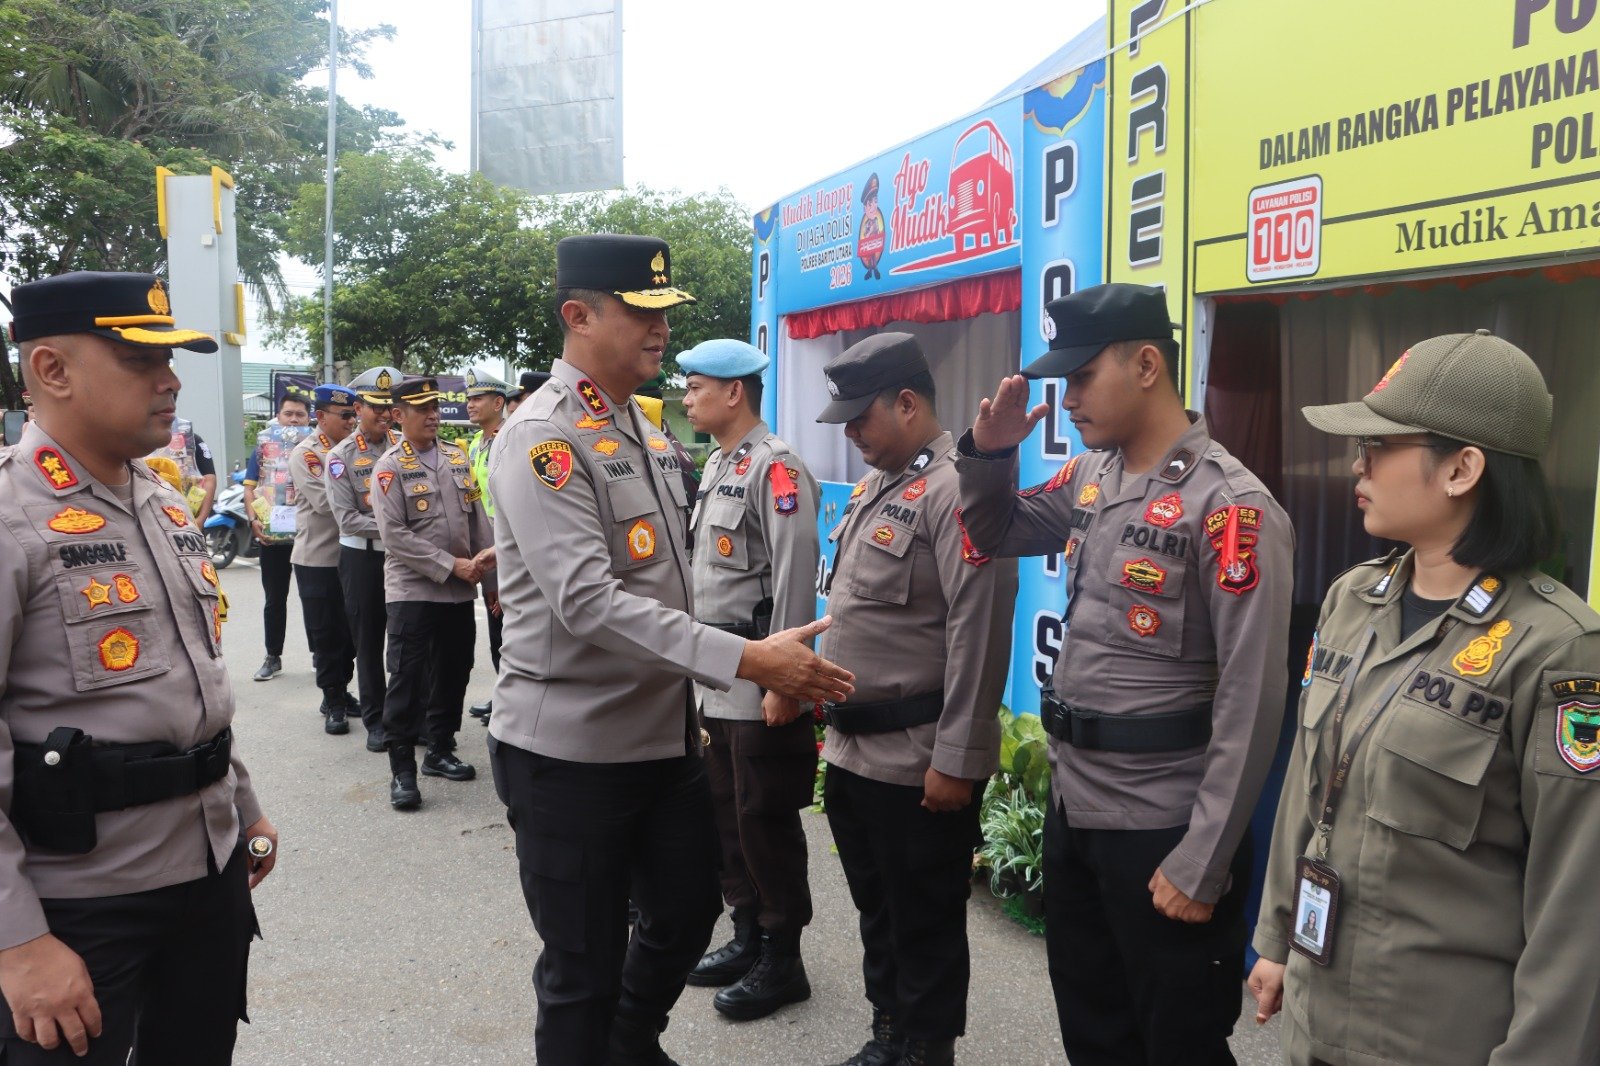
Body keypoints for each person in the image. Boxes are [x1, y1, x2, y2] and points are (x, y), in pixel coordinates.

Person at [486, 233, 855, 1066]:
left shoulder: (647, 437)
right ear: (578, 316)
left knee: (688, 913)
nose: (659, 331)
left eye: (664, 313)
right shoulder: (544, 439)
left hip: (659, 742)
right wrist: (749, 659)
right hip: (568, 753)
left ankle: (628, 1042)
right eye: (640, 312)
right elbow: (586, 603)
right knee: (581, 965)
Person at [957, 282, 1292, 1066]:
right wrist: (990, 452)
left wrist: (1203, 860)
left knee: (1176, 1040)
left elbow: (1253, 701)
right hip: (1081, 811)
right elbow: (993, 527)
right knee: (1095, 1028)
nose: (1066, 398)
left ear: (1148, 364)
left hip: (1164, 826)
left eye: (1079, 377)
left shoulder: (1231, 506)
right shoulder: (1092, 477)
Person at [1248, 331, 1600, 1065]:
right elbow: (1307, 796)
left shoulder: (1560, 649)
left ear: (1463, 468)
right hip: (1317, 1022)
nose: (1358, 463)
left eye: (1381, 443)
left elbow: (1579, 899)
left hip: (1439, 1043)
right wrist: (1276, 937)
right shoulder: (1352, 599)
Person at [0, 271, 276, 1064]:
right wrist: (17, 942)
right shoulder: (12, 514)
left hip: (205, 872)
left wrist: (241, 804)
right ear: (51, 370)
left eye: (172, 357)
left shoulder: (159, 497)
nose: (172, 378)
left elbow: (194, 683)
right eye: (138, 358)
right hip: (77, 908)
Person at [814, 332, 1018, 1066]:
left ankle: (925, 1048)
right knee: (879, 911)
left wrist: (958, 759)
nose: (851, 434)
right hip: (854, 751)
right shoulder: (879, 487)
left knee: (924, 919)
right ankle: (889, 1032)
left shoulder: (960, 489)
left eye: (859, 417)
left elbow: (981, 630)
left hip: (917, 759)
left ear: (906, 403)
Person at [678, 338, 821, 1020]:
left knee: (764, 816)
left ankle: (782, 956)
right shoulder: (720, 463)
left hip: (760, 671)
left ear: (735, 392)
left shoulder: (777, 468)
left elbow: (794, 577)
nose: (686, 397)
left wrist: (787, 682)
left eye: (697, 386)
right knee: (725, 812)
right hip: (715, 673)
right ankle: (744, 935)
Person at [371, 376, 493, 809]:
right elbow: (395, 535)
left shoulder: (457, 459)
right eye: (422, 409)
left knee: (455, 670)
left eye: (435, 407)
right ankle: (402, 768)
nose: (432, 415)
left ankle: (440, 749)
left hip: (460, 592)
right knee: (406, 677)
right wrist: (452, 565)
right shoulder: (388, 467)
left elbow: (478, 520)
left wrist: (485, 566)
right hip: (412, 591)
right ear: (399, 415)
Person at [326, 366, 401, 753]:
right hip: (364, 561)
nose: (385, 414)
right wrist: (399, 528)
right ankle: (376, 720)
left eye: (390, 407)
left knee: (406, 640)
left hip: (403, 561)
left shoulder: (405, 446)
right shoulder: (339, 457)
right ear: (358, 407)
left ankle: (408, 716)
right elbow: (348, 519)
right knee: (369, 643)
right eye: (376, 407)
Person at [289, 384, 360, 734]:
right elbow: (326, 502)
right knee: (326, 633)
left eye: (354, 415)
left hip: (352, 557)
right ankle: (332, 698)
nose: (352, 421)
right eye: (345, 415)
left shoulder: (355, 449)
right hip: (318, 558)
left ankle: (341, 690)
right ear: (321, 417)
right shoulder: (308, 454)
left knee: (349, 633)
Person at [242, 391, 311, 681]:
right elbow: (250, 487)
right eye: (288, 414)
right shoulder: (262, 448)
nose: (293, 420)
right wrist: (254, 519)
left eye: (300, 415)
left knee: (315, 598)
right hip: (273, 533)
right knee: (274, 599)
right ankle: (273, 656)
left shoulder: (317, 446)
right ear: (278, 416)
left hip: (310, 534)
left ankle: (321, 654)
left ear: (310, 419)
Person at [463, 369, 510, 724]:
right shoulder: (477, 444)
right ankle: (503, 696)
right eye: (468, 398)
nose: (470, 404)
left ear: (498, 403)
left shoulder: (508, 440)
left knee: (511, 625)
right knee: (497, 629)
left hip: (508, 546)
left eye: (477, 398)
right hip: (487, 546)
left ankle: (512, 702)